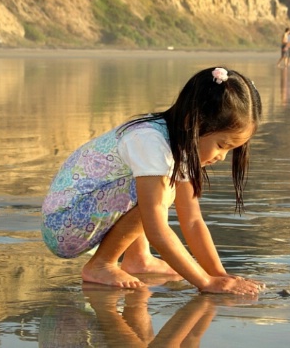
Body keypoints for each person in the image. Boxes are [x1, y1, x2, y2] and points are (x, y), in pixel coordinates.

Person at [41, 67, 265, 295]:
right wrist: (205, 283)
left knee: (154, 190)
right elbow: (156, 228)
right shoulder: (150, 141)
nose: (222, 157)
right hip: (64, 226)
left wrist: (218, 275)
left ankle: (138, 259)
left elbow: (193, 221)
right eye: (221, 145)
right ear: (193, 124)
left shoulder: (180, 146)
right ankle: (101, 265)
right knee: (159, 194)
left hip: (84, 217)